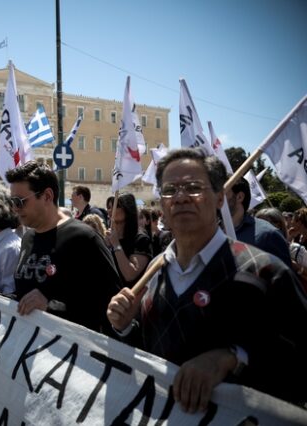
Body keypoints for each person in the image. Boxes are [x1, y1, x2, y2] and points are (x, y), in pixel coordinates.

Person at [106, 148, 307, 412]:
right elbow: (148, 360)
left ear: (220, 198)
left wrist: (233, 358)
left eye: (193, 187)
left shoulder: (264, 273)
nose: (180, 197)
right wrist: (123, 328)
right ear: (161, 205)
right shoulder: (152, 277)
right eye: (169, 190)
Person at [6, 162, 121, 333]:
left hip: (70, 352)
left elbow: (112, 308)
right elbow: (24, 296)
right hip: (29, 349)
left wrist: (51, 307)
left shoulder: (84, 238)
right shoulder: (28, 238)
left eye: (20, 202)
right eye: (12, 202)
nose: (15, 209)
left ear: (47, 196)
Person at [226, 177, 291, 267]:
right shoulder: (210, 233)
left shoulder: (268, 236)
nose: (215, 197)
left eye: (222, 192)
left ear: (239, 197)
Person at [105, 193, 152, 287]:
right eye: (109, 207)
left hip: (129, 297)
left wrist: (116, 245)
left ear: (127, 210)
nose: (110, 210)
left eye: (116, 206)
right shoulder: (111, 236)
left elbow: (130, 275)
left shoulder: (141, 239)